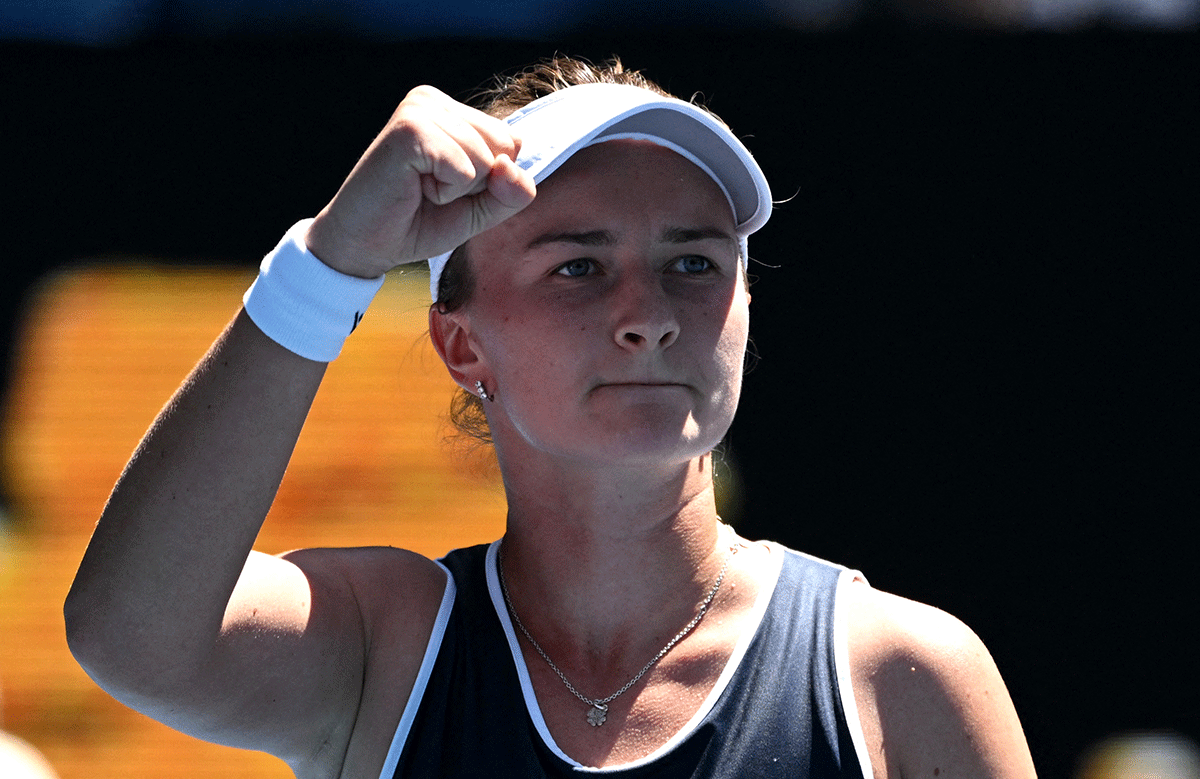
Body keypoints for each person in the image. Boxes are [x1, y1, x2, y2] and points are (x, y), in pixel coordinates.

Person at [64, 56, 1037, 778]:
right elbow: (128, 633)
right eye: (578, 265)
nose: (648, 315)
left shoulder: (903, 672)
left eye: (693, 262)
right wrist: (329, 264)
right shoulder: (385, 643)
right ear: (461, 344)